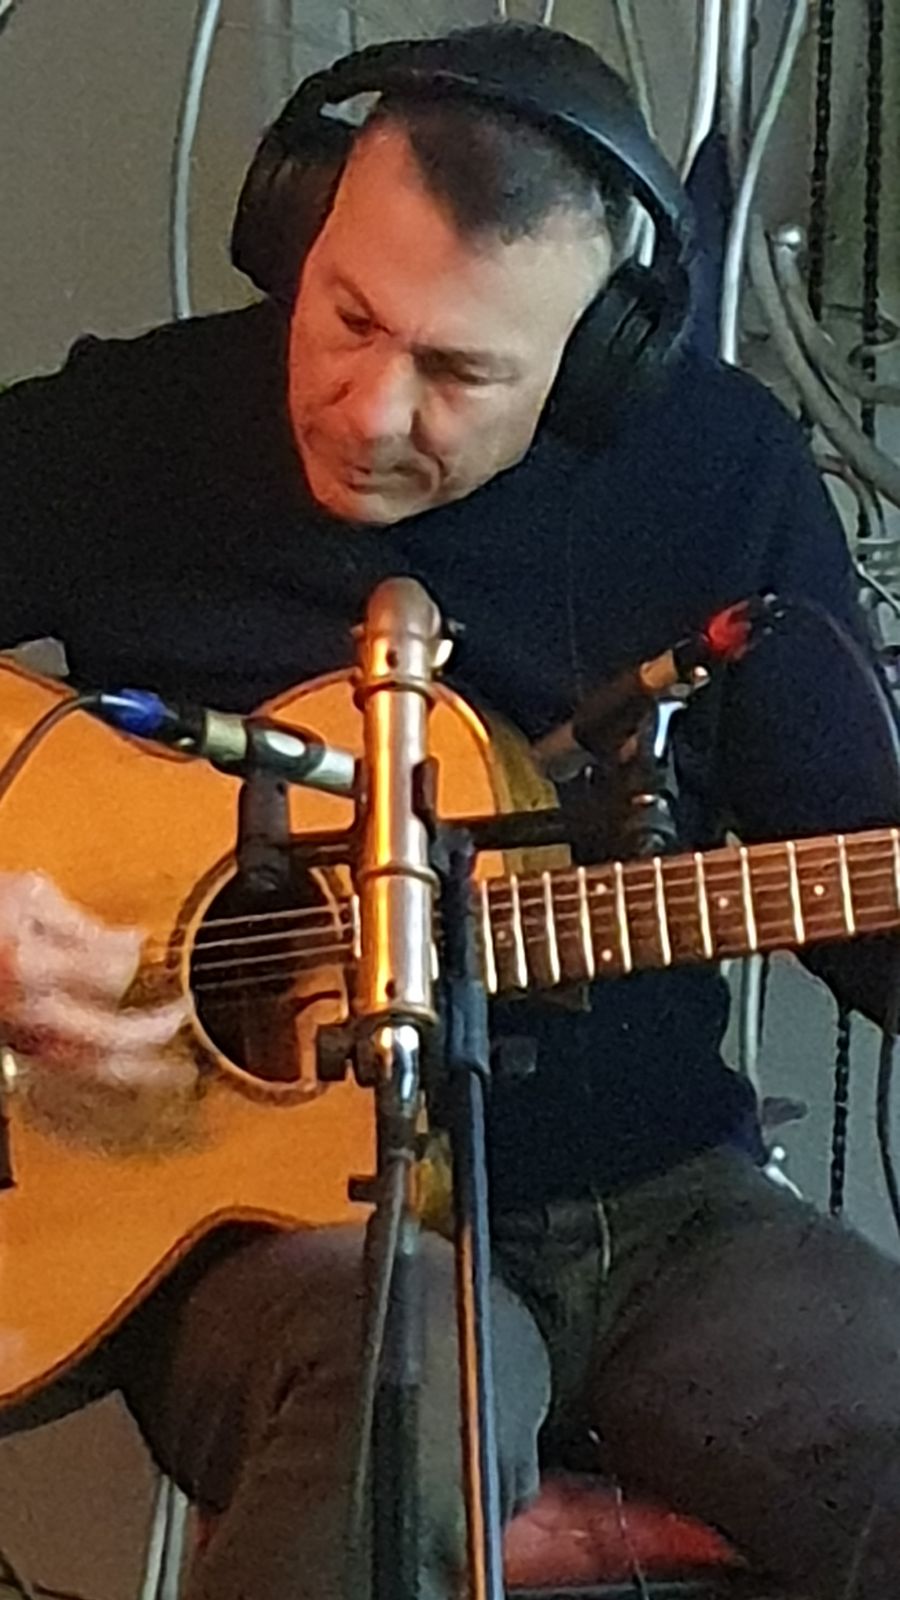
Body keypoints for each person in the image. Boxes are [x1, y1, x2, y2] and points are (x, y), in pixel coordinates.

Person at [2, 19, 900, 1598]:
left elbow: (855, 875)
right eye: (347, 316)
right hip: (268, 1247)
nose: (367, 409)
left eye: (459, 372)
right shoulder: (133, 431)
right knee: (410, 1393)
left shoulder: (718, 473)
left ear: (594, 365)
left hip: (659, 1213)